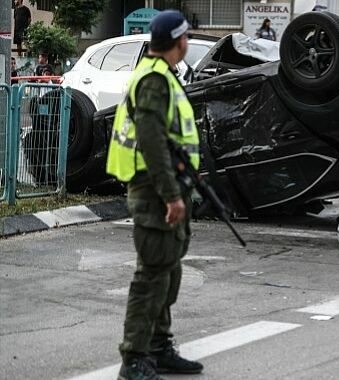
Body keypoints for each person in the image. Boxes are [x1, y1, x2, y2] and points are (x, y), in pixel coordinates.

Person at [106, 10, 204, 380]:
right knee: (151, 276)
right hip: (154, 190)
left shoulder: (162, 75)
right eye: (187, 38)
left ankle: (159, 347)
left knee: (167, 270)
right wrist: (170, 196)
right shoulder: (153, 80)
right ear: (179, 41)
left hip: (166, 187)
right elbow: (151, 143)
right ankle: (134, 359)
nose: (188, 43)